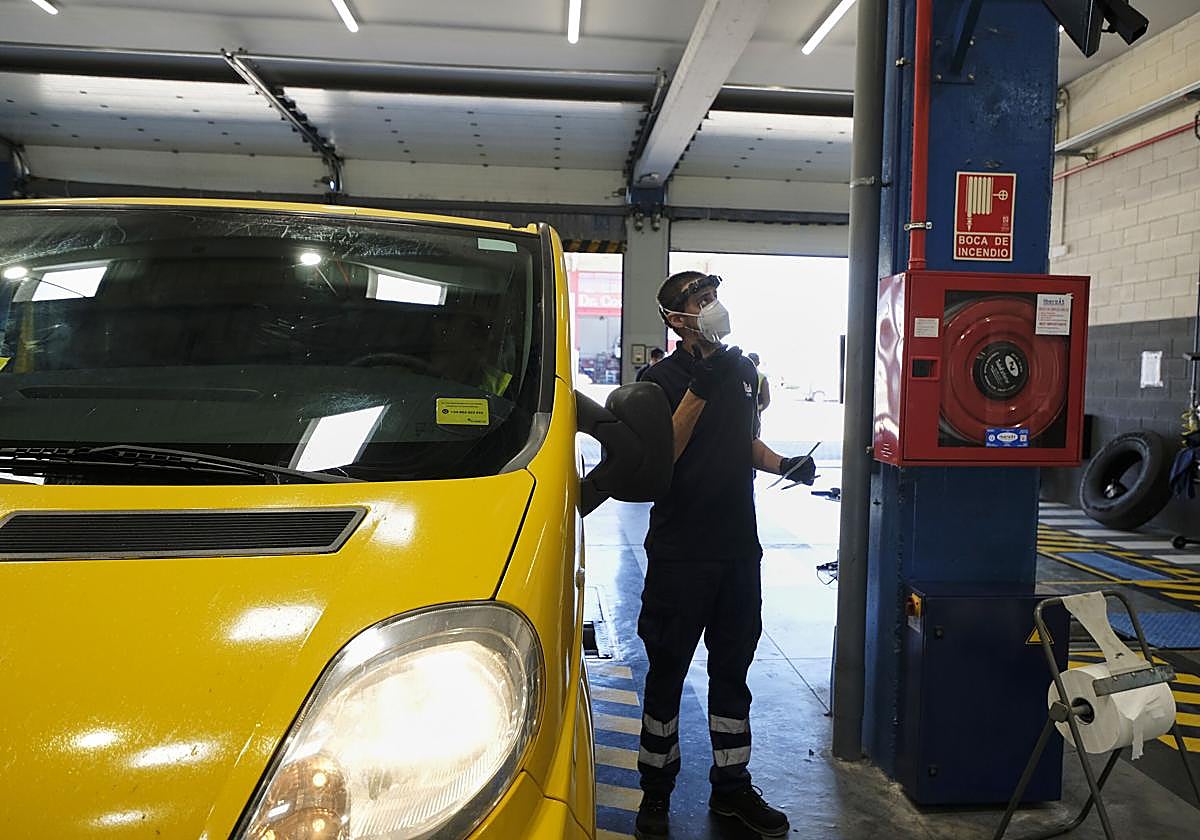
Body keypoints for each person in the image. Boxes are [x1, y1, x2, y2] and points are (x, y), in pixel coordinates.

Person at [632, 271, 815, 839]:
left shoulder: (740, 371)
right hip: (681, 554)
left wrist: (783, 464)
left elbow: (743, 442)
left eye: (714, 298)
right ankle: (655, 796)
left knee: (732, 675)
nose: (712, 308)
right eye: (699, 301)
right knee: (667, 674)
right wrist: (699, 386)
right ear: (675, 318)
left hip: (738, 551)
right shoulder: (655, 380)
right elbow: (664, 450)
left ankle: (732, 790)